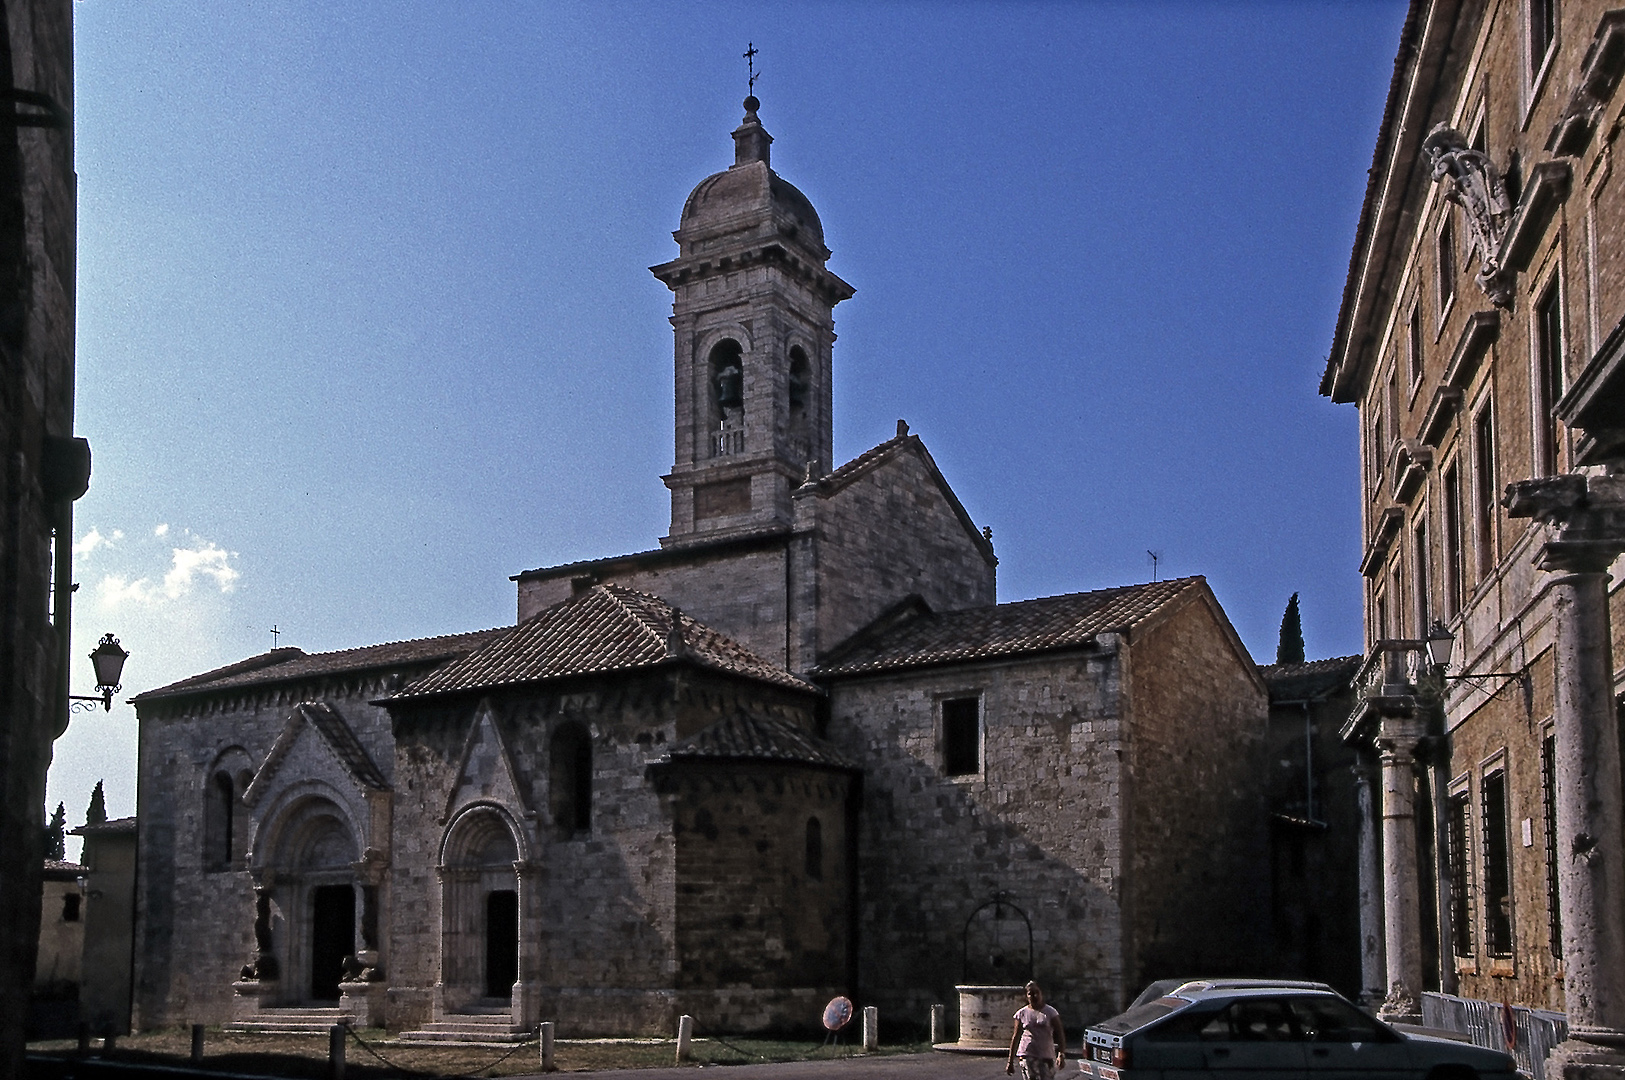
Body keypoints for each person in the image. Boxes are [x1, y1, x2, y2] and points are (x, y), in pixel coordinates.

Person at [1006, 981, 1065, 1080]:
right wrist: (1010, 1062)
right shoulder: (1021, 1013)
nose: (1034, 996)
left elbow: (1060, 1034)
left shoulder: (1051, 1012)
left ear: (1041, 993)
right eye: (1030, 993)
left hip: (1046, 1055)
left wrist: (1061, 1054)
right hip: (1027, 1054)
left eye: (1036, 992)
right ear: (1026, 996)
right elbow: (1016, 1036)